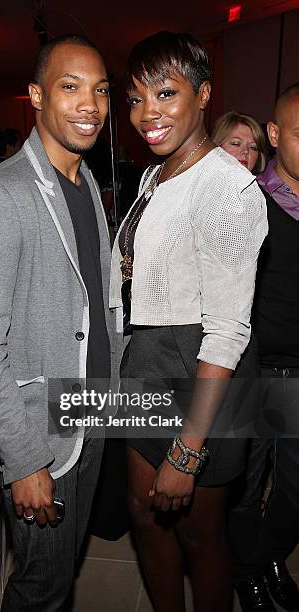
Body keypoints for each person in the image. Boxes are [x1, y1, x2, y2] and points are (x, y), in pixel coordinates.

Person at [0, 34, 121, 611]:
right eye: (70, 87)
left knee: (62, 568)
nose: (90, 105)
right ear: (35, 96)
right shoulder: (0, 195)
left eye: (100, 90)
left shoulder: (85, 185)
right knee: (41, 589)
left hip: (92, 413)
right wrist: (23, 459)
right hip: (37, 433)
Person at [109, 31, 268, 612]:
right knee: (144, 515)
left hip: (206, 374)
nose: (147, 114)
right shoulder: (159, 172)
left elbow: (227, 330)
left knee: (203, 534)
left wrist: (187, 451)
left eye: (166, 93)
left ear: (203, 96)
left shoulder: (228, 188)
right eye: (135, 98)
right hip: (149, 360)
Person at [230, 84, 299, 612]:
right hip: (253, 370)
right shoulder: (245, 203)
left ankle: (273, 555)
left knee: (295, 490)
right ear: (274, 135)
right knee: (244, 490)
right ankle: (249, 572)